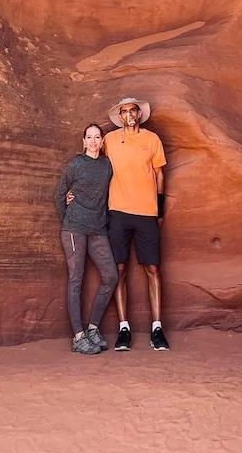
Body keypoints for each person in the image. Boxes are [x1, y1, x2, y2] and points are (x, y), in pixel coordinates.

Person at [103, 97, 170, 351]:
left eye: (133, 110)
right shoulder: (109, 140)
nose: (130, 115)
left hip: (146, 212)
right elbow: (96, 165)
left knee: (152, 267)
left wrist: (160, 208)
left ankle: (156, 327)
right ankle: (124, 328)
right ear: (120, 117)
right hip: (118, 211)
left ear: (139, 114)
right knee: (119, 268)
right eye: (125, 111)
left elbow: (160, 173)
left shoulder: (152, 139)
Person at [54, 124, 119, 354]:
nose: (93, 141)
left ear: (102, 142)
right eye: (89, 137)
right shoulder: (76, 164)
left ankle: (92, 328)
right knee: (76, 280)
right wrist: (68, 219)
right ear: (84, 141)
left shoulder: (107, 166)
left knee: (111, 276)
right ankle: (78, 336)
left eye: (97, 137)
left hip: (98, 230)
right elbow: (60, 193)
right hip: (74, 229)